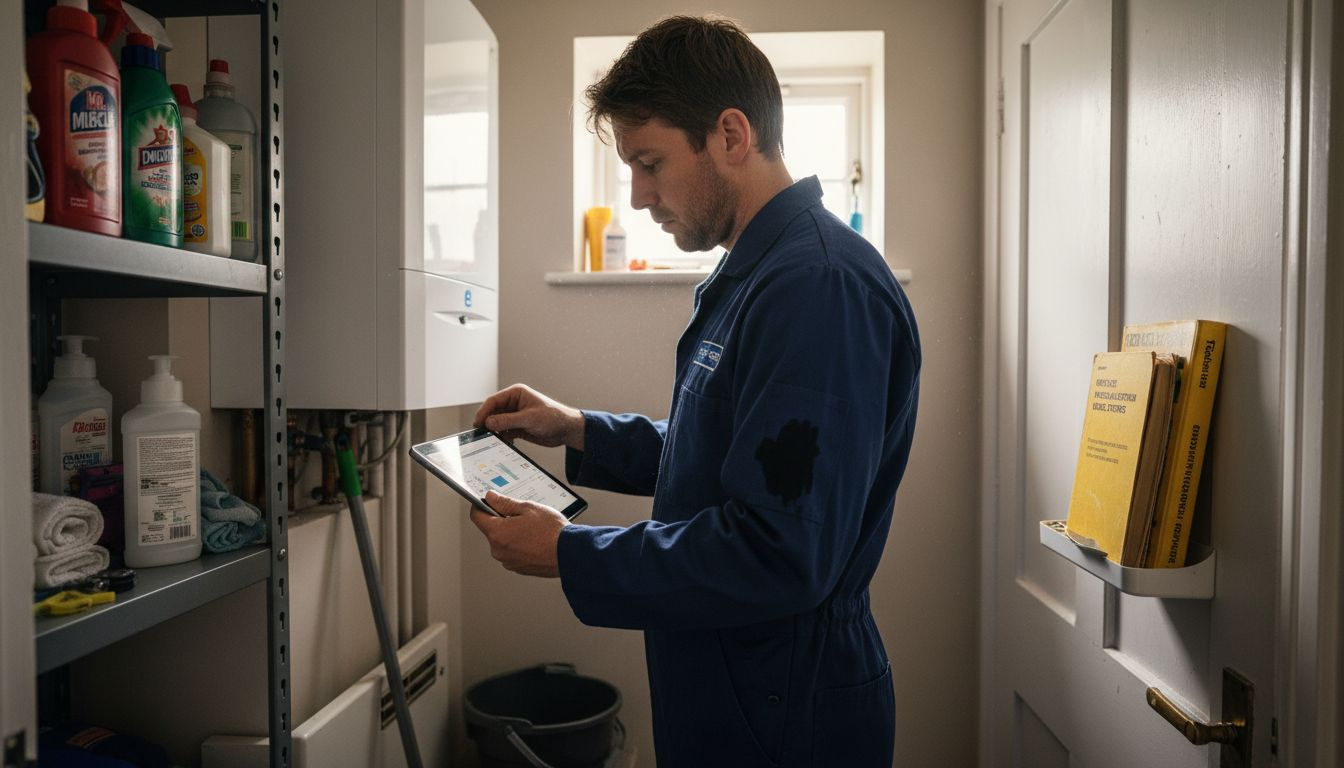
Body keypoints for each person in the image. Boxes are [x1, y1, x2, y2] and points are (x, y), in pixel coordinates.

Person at [470, 15, 920, 768]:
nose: (640, 197)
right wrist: (576, 427)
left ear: (731, 135)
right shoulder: (755, 273)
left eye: (650, 163)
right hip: (732, 682)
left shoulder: (817, 287)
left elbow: (778, 548)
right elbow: (734, 456)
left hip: (787, 707)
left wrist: (571, 554)